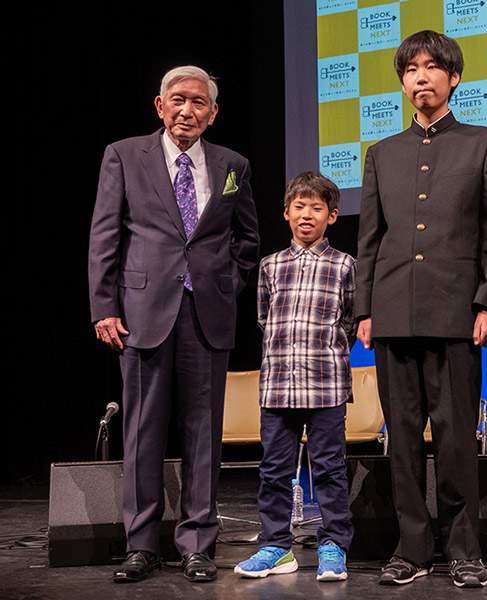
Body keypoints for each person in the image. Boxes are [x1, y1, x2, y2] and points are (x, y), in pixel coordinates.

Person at [88, 65, 259, 583]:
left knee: (204, 434)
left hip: (207, 313)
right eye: (178, 101)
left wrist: (226, 285)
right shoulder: (123, 154)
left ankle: (198, 544)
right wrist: (104, 307)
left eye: (199, 103)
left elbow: (246, 239)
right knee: (142, 431)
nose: (188, 110)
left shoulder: (233, 164)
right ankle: (141, 543)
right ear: (159, 107)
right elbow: (105, 236)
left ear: (213, 113)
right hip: (142, 313)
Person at [355, 30, 487, 588]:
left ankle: (464, 549)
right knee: (401, 441)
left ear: (454, 78)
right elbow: (369, 239)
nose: (420, 77)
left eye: (431, 67)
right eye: (410, 69)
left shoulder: (484, 143)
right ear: (402, 82)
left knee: (454, 439)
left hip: (456, 315)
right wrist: (363, 310)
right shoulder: (381, 154)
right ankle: (412, 547)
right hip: (393, 314)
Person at [234, 171, 355, 582]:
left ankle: (333, 545)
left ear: (332, 216)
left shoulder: (345, 266)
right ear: (286, 213)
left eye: (317, 208)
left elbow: (350, 323)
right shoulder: (270, 266)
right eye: (299, 207)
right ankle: (276, 546)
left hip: (326, 386)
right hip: (279, 387)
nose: (307, 215)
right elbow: (263, 319)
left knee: (329, 469)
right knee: (273, 470)